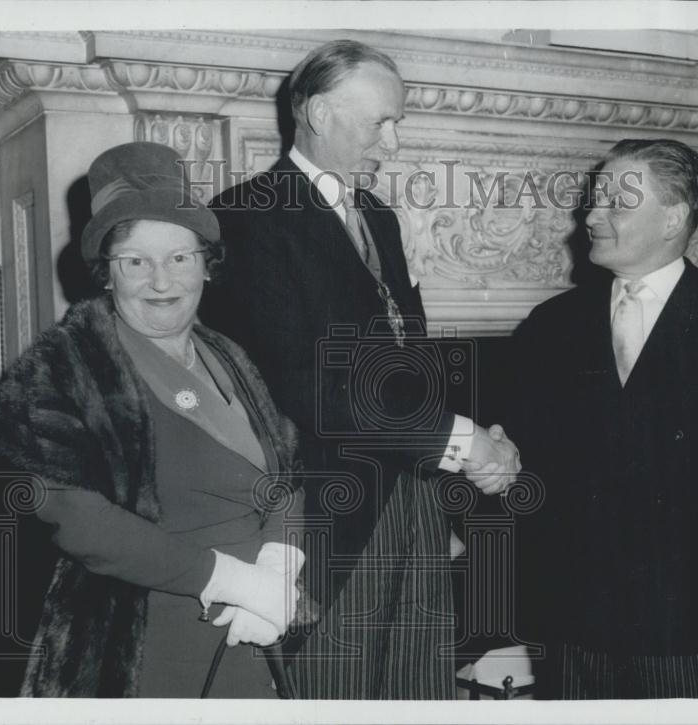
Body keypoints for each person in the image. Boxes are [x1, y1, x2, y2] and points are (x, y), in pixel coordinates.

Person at [202, 40, 520, 699]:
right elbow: (302, 384)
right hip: (326, 515)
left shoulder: (378, 215)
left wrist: (477, 445)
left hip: (413, 497)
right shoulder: (246, 216)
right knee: (336, 692)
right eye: (382, 121)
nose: (395, 143)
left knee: (419, 686)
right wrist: (460, 440)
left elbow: (411, 358)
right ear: (318, 112)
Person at [0, 142, 306, 697]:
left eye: (180, 257)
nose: (161, 280)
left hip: (259, 627)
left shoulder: (229, 354)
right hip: (146, 642)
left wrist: (280, 562)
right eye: (135, 261)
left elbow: (287, 470)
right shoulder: (63, 369)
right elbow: (78, 519)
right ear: (106, 273)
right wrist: (232, 580)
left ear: (207, 265)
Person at [509, 139, 698, 698]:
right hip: (575, 627)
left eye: (616, 204)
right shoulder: (550, 326)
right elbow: (525, 468)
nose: (592, 216)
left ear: (672, 219)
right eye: (594, 201)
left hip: (695, 626)